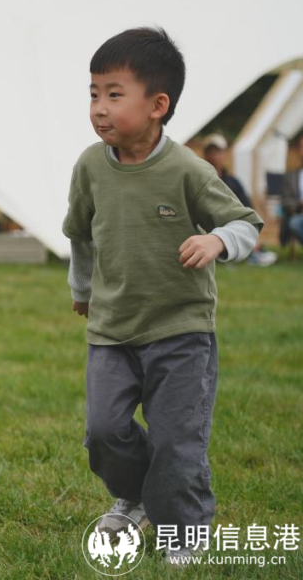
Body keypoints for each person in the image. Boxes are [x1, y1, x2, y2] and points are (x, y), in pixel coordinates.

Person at [62, 28, 263, 566]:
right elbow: (80, 235)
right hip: (112, 329)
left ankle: (185, 533)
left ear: (158, 105)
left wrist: (217, 239)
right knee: (103, 432)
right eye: (92, 93)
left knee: (178, 442)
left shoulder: (189, 170)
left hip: (180, 332)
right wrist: (82, 290)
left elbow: (246, 223)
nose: (99, 108)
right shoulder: (89, 167)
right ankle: (134, 496)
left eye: (113, 94)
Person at [202, 134, 276, 266]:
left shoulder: (233, 182)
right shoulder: (198, 180)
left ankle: (253, 251)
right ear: (205, 155)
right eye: (210, 152)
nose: (214, 156)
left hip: (229, 223)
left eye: (217, 152)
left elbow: (247, 208)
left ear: (224, 155)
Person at [281, 135, 303, 245]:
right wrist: (299, 205)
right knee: (294, 223)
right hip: (300, 214)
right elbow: (285, 200)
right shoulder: (291, 176)